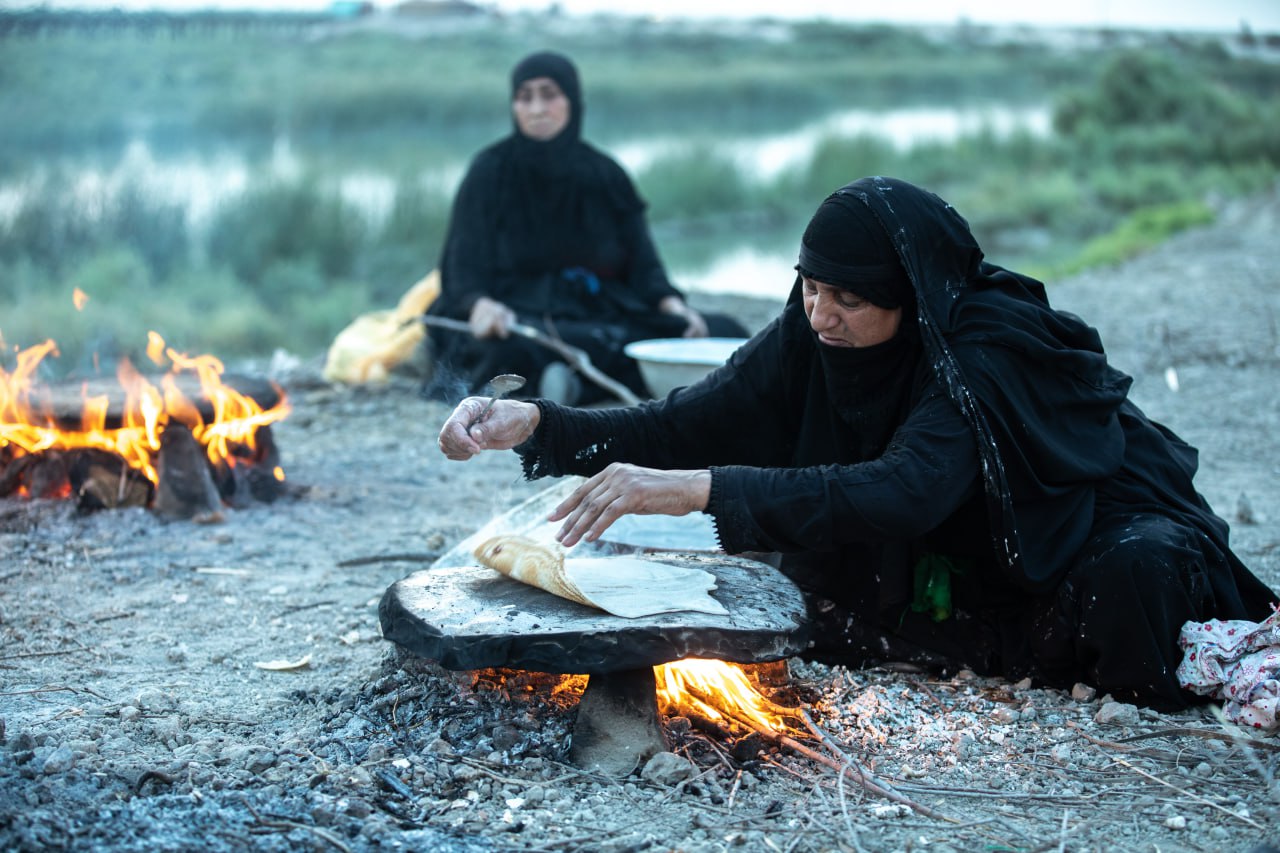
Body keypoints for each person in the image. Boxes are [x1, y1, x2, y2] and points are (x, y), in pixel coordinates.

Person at [437, 175, 1277, 710]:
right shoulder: (812, 328)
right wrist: (540, 422)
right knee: (824, 591)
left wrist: (700, 490)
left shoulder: (974, 356)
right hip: (945, 546)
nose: (820, 314)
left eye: (848, 297)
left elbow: (905, 489)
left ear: (906, 297)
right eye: (809, 285)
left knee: (1139, 575)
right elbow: (689, 416)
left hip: (1063, 534)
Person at [423, 50, 747, 406]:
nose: (536, 109)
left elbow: (643, 262)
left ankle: (573, 385)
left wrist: (672, 306)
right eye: (524, 97)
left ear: (572, 100)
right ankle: (592, 382)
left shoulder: (604, 174)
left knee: (720, 331)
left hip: (599, 310)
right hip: (519, 312)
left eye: (549, 94)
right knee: (507, 347)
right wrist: (480, 305)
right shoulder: (489, 172)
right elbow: (461, 265)